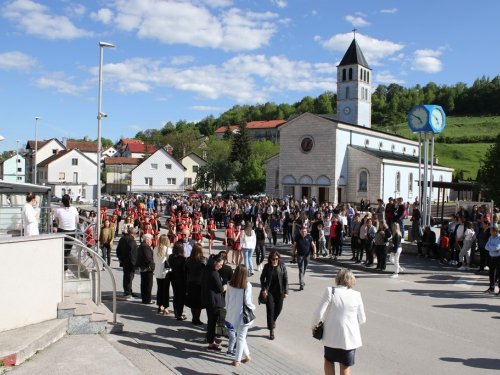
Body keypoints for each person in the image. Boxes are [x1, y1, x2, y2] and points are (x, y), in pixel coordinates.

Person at [311, 269, 366, 375]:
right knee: (345, 365)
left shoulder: (330, 291)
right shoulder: (357, 295)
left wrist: (313, 326)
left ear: (338, 278)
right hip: (349, 338)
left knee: (329, 360)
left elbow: (318, 313)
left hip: (331, 335)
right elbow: (362, 319)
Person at [225, 264, 255, 367]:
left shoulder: (230, 284)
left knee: (240, 336)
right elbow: (248, 301)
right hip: (243, 316)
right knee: (241, 337)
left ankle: (247, 355)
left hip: (232, 314)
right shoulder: (247, 285)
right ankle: (237, 359)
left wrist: (228, 312)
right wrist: (253, 307)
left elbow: (227, 301)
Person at [260, 251, 288, 340]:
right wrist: (264, 289)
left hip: (279, 291)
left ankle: (273, 321)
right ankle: (271, 330)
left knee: (279, 309)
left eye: (276, 259)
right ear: (270, 259)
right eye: (273, 259)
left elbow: (285, 279)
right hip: (270, 292)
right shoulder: (267, 267)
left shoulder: (282, 266)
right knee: (270, 311)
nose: (275, 261)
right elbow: (262, 278)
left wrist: (286, 291)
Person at [201, 253, 226, 351]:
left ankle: (210, 338)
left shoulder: (205, 270)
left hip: (206, 298)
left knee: (210, 319)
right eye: (220, 264)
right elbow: (220, 288)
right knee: (212, 321)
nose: (221, 267)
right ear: (215, 262)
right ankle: (211, 342)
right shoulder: (214, 273)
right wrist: (224, 287)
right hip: (214, 301)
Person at [54, 194, 79, 275]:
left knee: (63, 251)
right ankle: (65, 268)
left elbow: (57, 222)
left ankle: (64, 268)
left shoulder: (58, 210)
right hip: (72, 232)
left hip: (62, 231)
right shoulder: (74, 209)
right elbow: (77, 221)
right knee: (67, 251)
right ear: (69, 201)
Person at [185, 243, 207, 325]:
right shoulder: (203, 260)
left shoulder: (188, 260)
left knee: (193, 301)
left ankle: (194, 317)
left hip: (190, 282)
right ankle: (196, 318)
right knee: (198, 303)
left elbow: (186, 271)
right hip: (199, 283)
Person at [116, 227, 139, 298]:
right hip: (130, 261)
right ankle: (128, 291)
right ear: (134, 233)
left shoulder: (122, 238)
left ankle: (127, 290)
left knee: (126, 276)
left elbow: (118, 249)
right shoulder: (131, 240)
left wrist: (120, 257)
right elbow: (131, 251)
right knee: (129, 277)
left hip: (124, 261)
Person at [169, 242, 187, 320]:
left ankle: (176, 311)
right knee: (181, 297)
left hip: (173, 277)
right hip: (182, 279)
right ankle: (179, 313)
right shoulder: (183, 259)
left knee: (175, 295)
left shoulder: (171, 257)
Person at [154, 234, 172, 314]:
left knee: (159, 289)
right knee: (166, 290)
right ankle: (165, 307)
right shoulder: (168, 249)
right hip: (166, 272)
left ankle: (160, 305)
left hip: (158, 271)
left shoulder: (156, 248)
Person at [136, 233, 155, 304]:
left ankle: (144, 298)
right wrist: (152, 266)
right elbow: (148, 258)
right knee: (148, 284)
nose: (151, 241)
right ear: (146, 240)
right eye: (150, 240)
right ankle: (147, 299)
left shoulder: (141, 246)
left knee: (144, 283)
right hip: (147, 268)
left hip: (143, 267)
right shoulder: (145, 247)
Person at [484, 226, 500, 294]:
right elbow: (486, 246)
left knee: (499, 274)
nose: (490, 232)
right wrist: (492, 247)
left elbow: (497, 248)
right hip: (491, 257)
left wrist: (491, 246)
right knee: (491, 273)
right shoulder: (491, 237)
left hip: (498, 258)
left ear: (495, 232)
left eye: (491, 231)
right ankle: (491, 287)